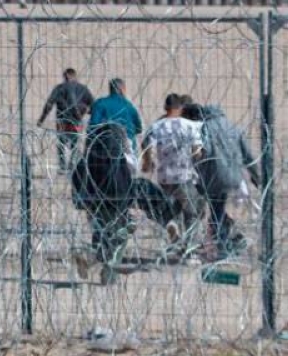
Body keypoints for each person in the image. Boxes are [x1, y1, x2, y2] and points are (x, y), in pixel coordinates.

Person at [184, 103, 260, 259]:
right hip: (234, 176)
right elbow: (247, 153)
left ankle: (223, 248)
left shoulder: (203, 128)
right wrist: (256, 175)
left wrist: (196, 173)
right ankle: (228, 239)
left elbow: (203, 153)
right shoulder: (231, 127)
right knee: (217, 209)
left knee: (215, 211)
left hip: (213, 176)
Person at [72, 122, 135, 284]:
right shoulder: (119, 156)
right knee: (119, 236)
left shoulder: (89, 155)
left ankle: (92, 259)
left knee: (102, 234)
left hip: (92, 202)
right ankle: (106, 272)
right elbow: (128, 179)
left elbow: (77, 176)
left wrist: (80, 201)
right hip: (116, 202)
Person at [141, 94, 204, 248]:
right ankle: (190, 248)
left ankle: (172, 225)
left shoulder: (157, 126)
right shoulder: (189, 125)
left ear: (165, 108)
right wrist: (196, 161)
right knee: (192, 212)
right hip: (184, 176)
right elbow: (197, 151)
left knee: (173, 207)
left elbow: (145, 144)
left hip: (164, 177)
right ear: (180, 108)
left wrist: (148, 162)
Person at [38, 68, 95, 173]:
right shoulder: (83, 89)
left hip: (62, 120)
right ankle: (72, 164)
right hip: (76, 120)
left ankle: (63, 165)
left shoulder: (60, 88)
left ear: (67, 76)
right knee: (74, 143)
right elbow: (93, 104)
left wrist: (41, 119)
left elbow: (49, 104)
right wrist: (85, 111)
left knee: (61, 143)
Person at [89, 78, 143, 151]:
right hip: (127, 146)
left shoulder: (100, 103)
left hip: (105, 146)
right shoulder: (128, 105)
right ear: (121, 89)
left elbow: (93, 126)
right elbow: (139, 128)